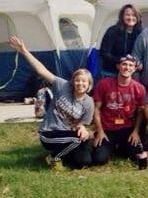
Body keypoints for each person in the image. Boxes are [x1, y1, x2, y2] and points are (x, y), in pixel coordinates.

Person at [9, 36, 94, 170]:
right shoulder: (62, 86)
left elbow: (81, 123)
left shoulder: (89, 102)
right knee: (77, 140)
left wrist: (82, 128)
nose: (80, 83)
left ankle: (64, 155)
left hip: (66, 135)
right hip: (49, 133)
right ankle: (54, 157)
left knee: (84, 161)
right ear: (73, 82)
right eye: (77, 80)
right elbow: (41, 70)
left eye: (84, 81)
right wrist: (24, 51)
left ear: (89, 85)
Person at [91, 54, 148, 169]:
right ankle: (103, 145)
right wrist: (100, 131)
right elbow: (96, 108)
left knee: (136, 155)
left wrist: (136, 131)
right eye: (124, 64)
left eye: (131, 65)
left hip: (128, 129)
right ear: (118, 66)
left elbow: (141, 112)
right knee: (99, 159)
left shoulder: (140, 88)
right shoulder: (104, 84)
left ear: (135, 69)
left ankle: (120, 148)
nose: (127, 67)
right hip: (107, 129)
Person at [99, 4, 143, 78]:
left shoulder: (140, 33)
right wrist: (119, 60)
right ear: (122, 16)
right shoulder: (113, 31)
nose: (131, 18)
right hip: (111, 72)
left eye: (134, 15)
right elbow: (104, 53)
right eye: (127, 15)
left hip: (131, 73)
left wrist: (139, 63)